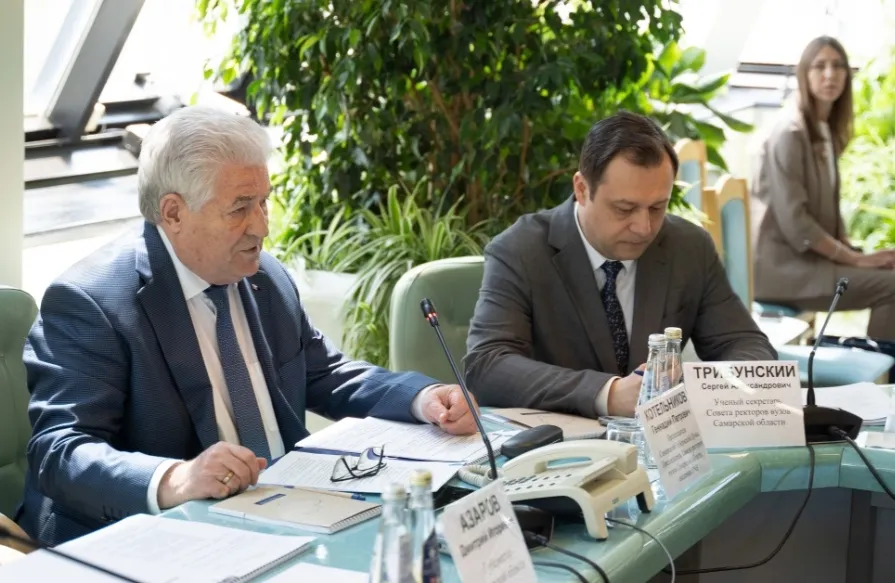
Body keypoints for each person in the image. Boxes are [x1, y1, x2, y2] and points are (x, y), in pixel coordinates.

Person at [18, 106, 478, 546]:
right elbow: (59, 452)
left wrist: (422, 398)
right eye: (240, 208)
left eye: (264, 203)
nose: (261, 227)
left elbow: (322, 372)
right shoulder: (92, 301)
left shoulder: (264, 276)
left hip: (290, 510)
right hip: (161, 537)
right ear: (173, 213)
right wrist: (175, 478)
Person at [464, 111, 776, 418]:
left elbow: (746, 345)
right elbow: (487, 365)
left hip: (662, 442)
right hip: (558, 442)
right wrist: (607, 394)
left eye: (657, 207)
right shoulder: (520, 250)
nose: (644, 228)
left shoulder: (689, 247)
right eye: (624, 209)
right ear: (582, 189)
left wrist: (708, 390)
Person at [751, 36, 895, 340]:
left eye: (838, 65)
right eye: (820, 66)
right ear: (804, 73)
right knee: (893, 287)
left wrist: (857, 252)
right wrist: (855, 260)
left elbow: (825, 208)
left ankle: (875, 364)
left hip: (811, 263)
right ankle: (878, 369)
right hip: (785, 271)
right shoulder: (790, 133)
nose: (830, 74)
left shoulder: (823, 129)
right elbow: (797, 223)